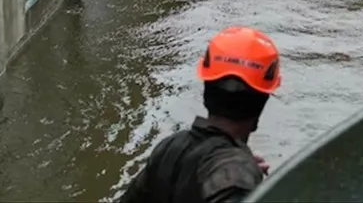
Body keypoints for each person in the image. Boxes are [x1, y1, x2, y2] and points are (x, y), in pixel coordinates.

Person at [117, 26, 281, 203]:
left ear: (206, 92)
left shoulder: (169, 148)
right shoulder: (237, 177)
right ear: (262, 101)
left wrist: (241, 169)